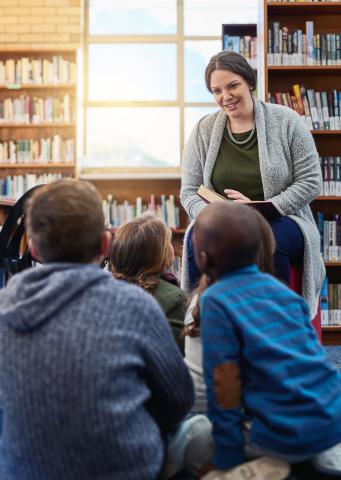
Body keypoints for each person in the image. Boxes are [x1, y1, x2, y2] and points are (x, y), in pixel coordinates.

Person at [0, 179, 200, 480]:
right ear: (106, 243)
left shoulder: (4, 310)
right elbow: (179, 399)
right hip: (128, 468)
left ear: (33, 249)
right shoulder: (136, 305)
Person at [194, 201, 341, 474]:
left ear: (204, 258)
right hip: (332, 417)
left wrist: (228, 457)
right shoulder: (286, 293)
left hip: (280, 433)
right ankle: (320, 454)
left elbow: (224, 382)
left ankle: (279, 462)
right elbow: (315, 356)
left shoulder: (215, 300)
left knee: (194, 436)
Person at [180, 50, 325, 319]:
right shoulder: (203, 129)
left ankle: (274, 324)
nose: (226, 96)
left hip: (283, 218)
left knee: (269, 241)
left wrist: (265, 208)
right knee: (195, 239)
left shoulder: (287, 121)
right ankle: (199, 323)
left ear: (249, 81)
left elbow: (311, 180)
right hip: (222, 220)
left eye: (233, 85)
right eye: (217, 90)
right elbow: (188, 190)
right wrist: (213, 215)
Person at [183, 210, 276, 413]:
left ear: (204, 259)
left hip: (219, 416)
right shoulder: (286, 301)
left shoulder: (206, 304)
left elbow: (223, 396)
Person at [110, 213, 187, 353]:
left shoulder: (106, 292)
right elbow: (180, 356)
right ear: (159, 254)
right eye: (168, 241)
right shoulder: (174, 299)